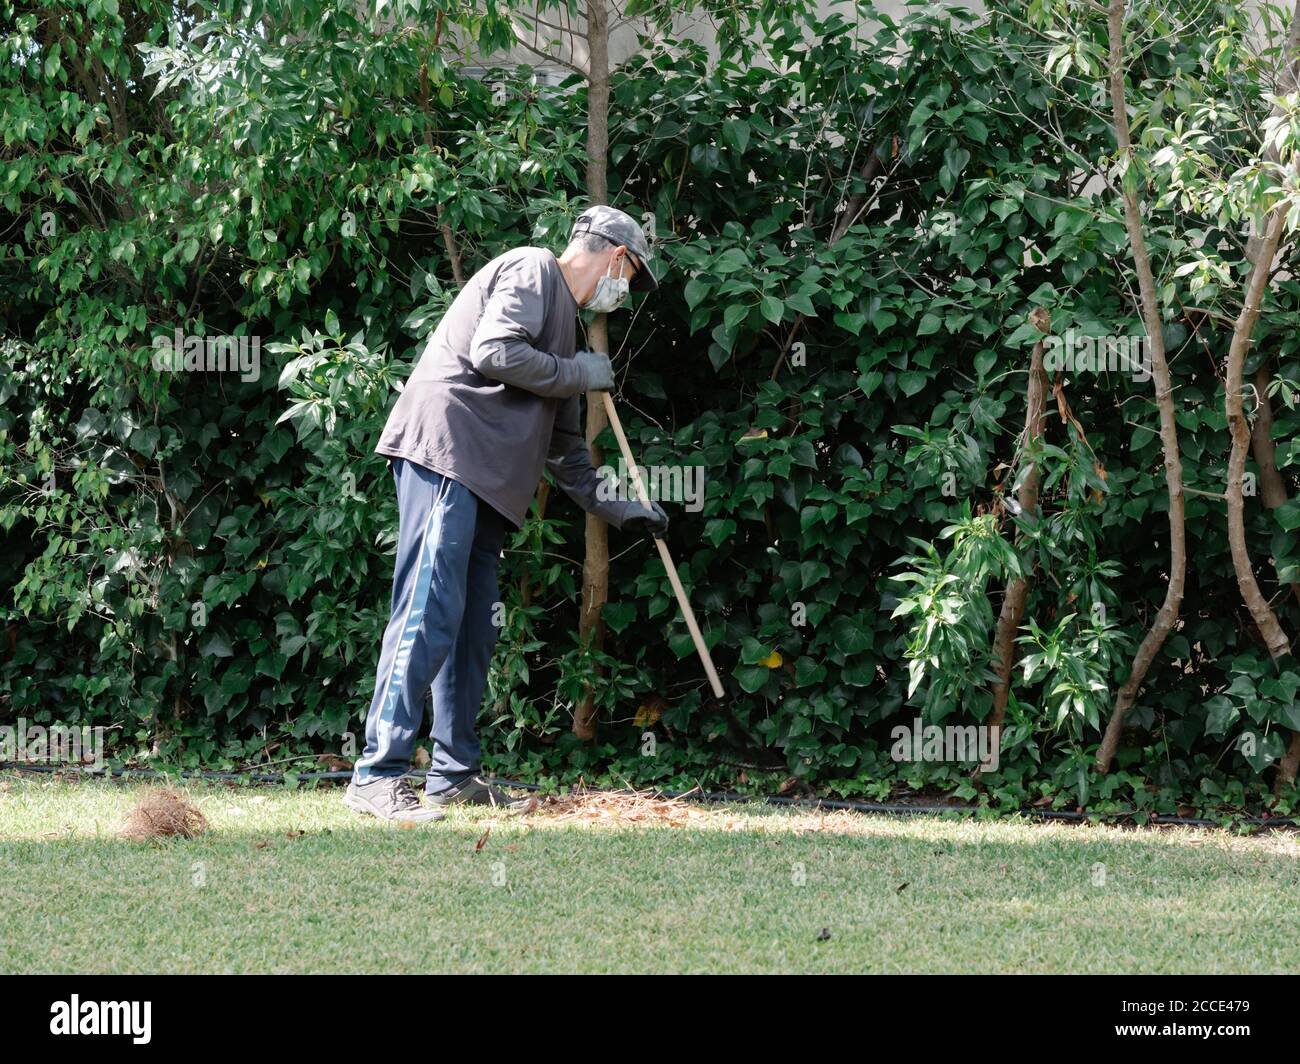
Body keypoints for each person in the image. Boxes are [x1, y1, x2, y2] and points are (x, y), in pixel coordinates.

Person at [344, 206, 669, 822]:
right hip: (448, 456)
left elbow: (569, 456)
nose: (622, 293)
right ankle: (377, 774)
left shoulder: (568, 334)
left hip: (488, 485)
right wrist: (577, 372)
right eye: (630, 277)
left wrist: (624, 511)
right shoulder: (531, 269)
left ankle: (452, 774)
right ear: (617, 257)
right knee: (428, 607)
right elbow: (494, 351)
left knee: (471, 630)